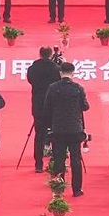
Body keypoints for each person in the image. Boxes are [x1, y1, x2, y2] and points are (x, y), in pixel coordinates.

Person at [41, 62, 89, 197]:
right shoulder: (78, 88)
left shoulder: (52, 88)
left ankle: (58, 190)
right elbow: (85, 106)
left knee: (59, 159)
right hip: (75, 128)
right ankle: (77, 189)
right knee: (76, 159)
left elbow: (46, 107)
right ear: (73, 73)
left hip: (58, 128)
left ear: (60, 72)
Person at [27, 47, 60, 172]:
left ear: (40, 54)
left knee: (39, 135)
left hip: (38, 105)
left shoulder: (33, 68)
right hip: (53, 106)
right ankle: (56, 163)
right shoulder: (56, 68)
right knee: (55, 134)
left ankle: (38, 164)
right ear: (51, 55)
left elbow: (30, 80)